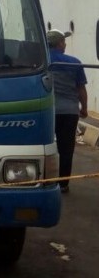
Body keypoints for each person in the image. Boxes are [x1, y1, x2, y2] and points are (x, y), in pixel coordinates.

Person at [47, 29, 88, 193]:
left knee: (45, 146)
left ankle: (44, 181)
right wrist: (84, 108)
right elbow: (81, 89)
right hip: (70, 111)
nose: (65, 44)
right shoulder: (74, 62)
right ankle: (63, 184)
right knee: (66, 148)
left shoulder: (41, 61)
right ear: (58, 44)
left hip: (47, 111)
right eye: (63, 42)